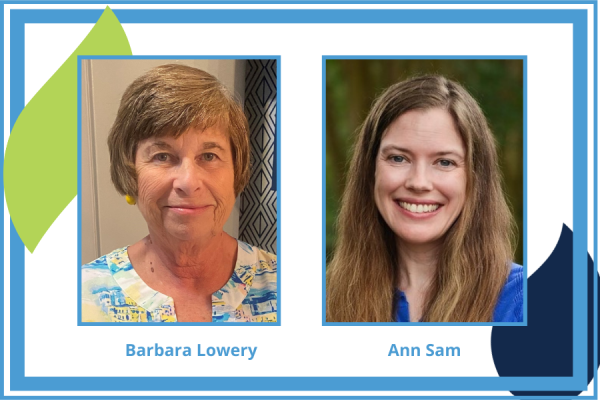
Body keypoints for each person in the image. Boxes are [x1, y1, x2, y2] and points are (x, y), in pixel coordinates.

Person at [82, 64, 277, 323]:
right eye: (162, 156)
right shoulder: (82, 297)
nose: (188, 182)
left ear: (236, 170)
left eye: (209, 156)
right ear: (130, 171)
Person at [326, 75, 522, 323]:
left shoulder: (526, 300)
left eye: (444, 162)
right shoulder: (322, 302)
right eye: (398, 158)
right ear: (370, 169)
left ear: (475, 179)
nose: (419, 182)